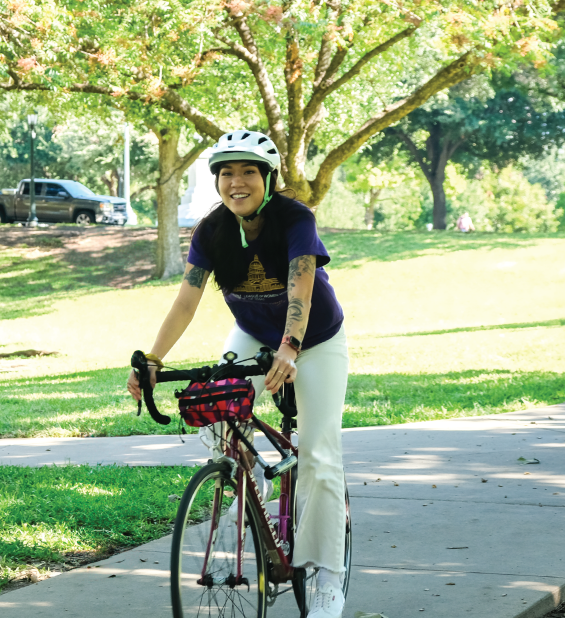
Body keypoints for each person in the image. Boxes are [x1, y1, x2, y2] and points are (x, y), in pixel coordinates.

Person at [126, 130, 350, 618]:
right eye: (226, 173)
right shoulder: (212, 230)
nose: (236, 182)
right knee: (216, 403)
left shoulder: (295, 219)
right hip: (252, 333)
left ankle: (328, 577)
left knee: (317, 452)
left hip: (314, 340)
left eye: (248, 171)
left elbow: (301, 290)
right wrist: (154, 360)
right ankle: (249, 475)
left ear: (268, 178)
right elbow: (187, 299)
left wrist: (290, 348)